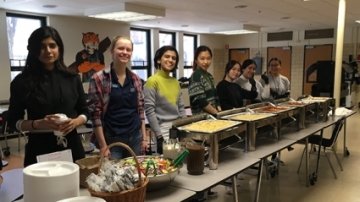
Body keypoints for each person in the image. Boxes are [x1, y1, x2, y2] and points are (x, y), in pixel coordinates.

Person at [7, 26, 89, 167]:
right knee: (43, 188)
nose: (48, 51)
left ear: (59, 48)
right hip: (39, 149)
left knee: (75, 188)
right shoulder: (21, 82)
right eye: (42, 47)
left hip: (72, 147)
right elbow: (13, 121)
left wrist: (75, 122)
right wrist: (36, 124)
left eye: (52, 46)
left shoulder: (72, 78)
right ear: (33, 49)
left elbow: (85, 111)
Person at [88, 36, 147, 159]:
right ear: (112, 51)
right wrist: (103, 146)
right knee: (115, 176)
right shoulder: (98, 78)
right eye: (120, 48)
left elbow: (140, 111)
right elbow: (96, 116)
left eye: (128, 49)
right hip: (112, 140)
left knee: (137, 174)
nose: (124, 52)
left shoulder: (136, 79)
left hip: (135, 137)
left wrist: (144, 138)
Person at [144, 46, 186, 154]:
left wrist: (184, 126)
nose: (171, 60)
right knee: (166, 164)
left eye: (173, 58)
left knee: (178, 162)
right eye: (167, 56)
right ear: (159, 59)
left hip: (177, 127)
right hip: (162, 130)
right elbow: (149, 110)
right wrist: (159, 136)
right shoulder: (152, 81)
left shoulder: (175, 82)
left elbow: (181, 107)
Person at [188, 45, 221, 115]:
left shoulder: (210, 76)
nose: (205, 62)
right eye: (202, 59)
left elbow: (216, 96)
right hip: (201, 119)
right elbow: (201, 101)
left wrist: (219, 109)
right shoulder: (196, 76)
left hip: (212, 117)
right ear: (196, 60)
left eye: (208, 58)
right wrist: (217, 113)